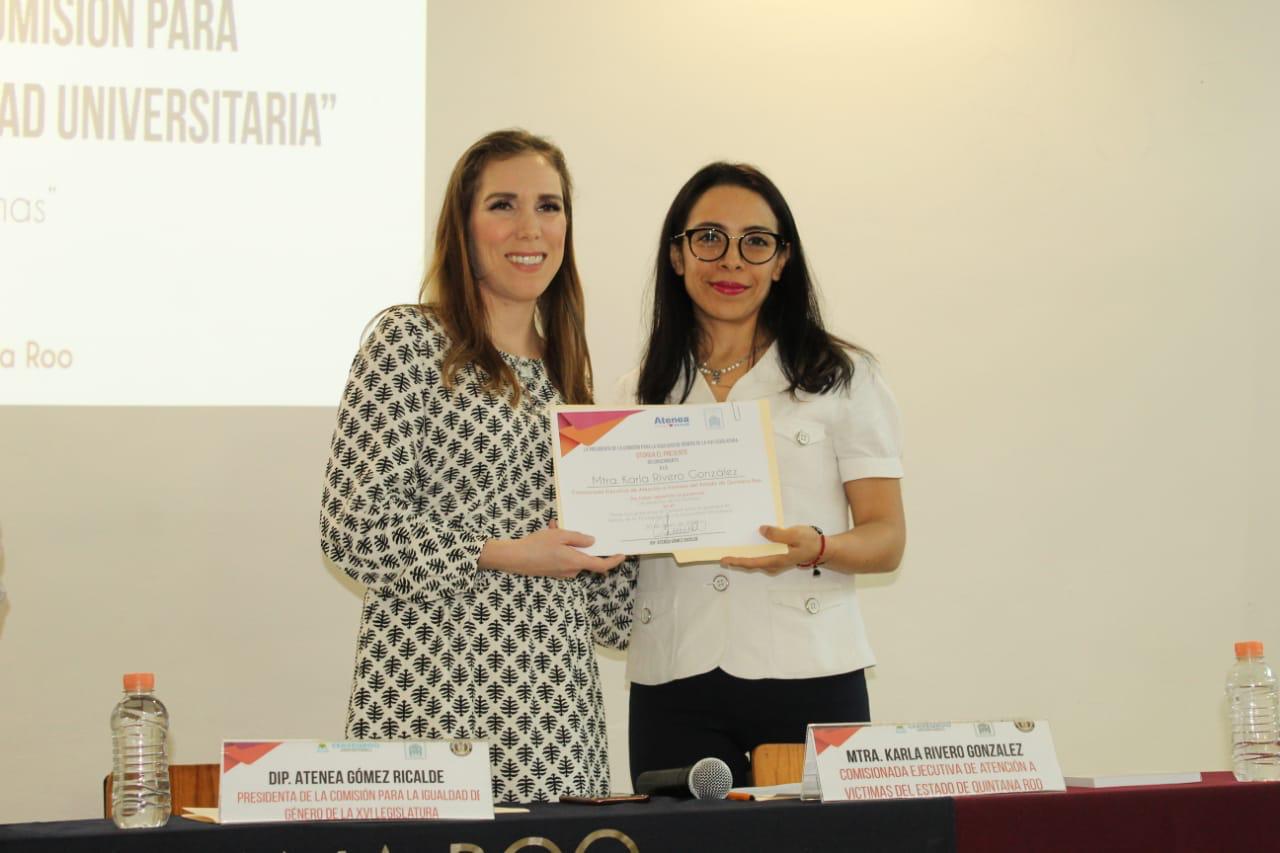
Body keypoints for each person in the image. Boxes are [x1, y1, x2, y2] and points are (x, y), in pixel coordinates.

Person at [320, 130, 634, 804]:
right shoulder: (407, 342)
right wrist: (508, 553)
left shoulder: (571, 382)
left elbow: (612, 621)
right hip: (430, 705)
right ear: (462, 226)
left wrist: (644, 530)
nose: (530, 228)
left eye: (549, 206)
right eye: (503, 205)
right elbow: (353, 531)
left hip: (555, 724)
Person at [625, 162, 906, 787]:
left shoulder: (842, 377)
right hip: (674, 679)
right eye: (708, 238)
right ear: (677, 255)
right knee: (680, 837)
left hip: (812, 671)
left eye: (755, 242)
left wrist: (818, 548)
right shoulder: (634, 395)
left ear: (781, 261)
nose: (731, 260)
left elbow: (887, 538)